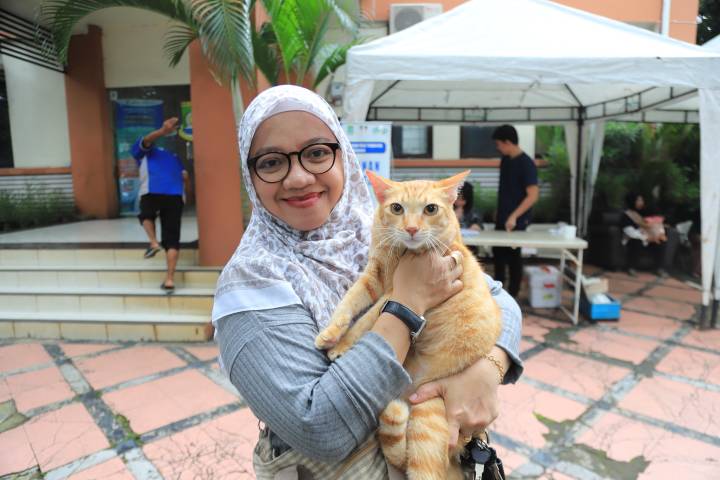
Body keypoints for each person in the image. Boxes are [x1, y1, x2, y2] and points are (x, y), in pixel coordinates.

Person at [212, 86, 523, 478]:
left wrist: (488, 369)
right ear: (250, 175)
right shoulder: (250, 281)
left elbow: (497, 299)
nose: (299, 177)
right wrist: (406, 304)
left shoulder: (382, 226)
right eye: (272, 162)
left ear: (343, 154)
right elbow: (319, 428)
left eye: (317, 153)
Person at [131, 117, 189, 292]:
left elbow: (147, 140)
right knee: (172, 239)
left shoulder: (145, 152)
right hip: (175, 195)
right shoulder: (174, 157)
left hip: (152, 190)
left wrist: (163, 130)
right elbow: (185, 176)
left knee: (146, 215)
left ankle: (154, 243)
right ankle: (169, 279)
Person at [491, 125, 539, 299]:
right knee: (498, 255)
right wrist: (499, 210)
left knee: (513, 257)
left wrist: (514, 216)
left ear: (508, 142)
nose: (498, 148)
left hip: (517, 220)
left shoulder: (526, 164)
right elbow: (506, 190)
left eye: (499, 144)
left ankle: (513, 295)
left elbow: (533, 196)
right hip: (503, 217)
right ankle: (497, 295)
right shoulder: (505, 160)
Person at [621, 192, 679, 278]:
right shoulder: (627, 215)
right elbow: (629, 231)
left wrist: (658, 234)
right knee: (636, 242)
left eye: (642, 200)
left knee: (661, 241)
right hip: (635, 238)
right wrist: (646, 238)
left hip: (650, 237)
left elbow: (656, 223)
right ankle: (631, 267)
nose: (641, 202)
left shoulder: (646, 212)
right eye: (638, 200)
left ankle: (659, 268)